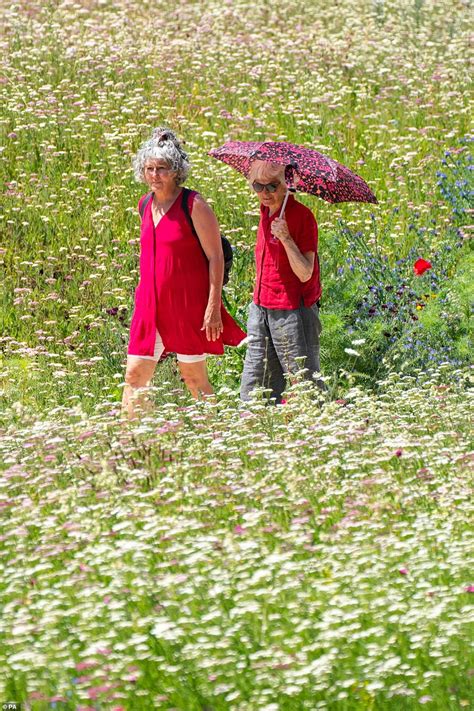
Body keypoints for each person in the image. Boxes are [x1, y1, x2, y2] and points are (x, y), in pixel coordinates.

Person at [122, 128, 246, 419]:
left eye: (162, 169)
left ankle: (216, 436)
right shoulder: (144, 204)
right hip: (149, 307)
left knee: (193, 378)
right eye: (149, 168)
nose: (155, 175)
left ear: (176, 170)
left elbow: (216, 258)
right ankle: (132, 444)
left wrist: (213, 306)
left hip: (187, 306)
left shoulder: (194, 205)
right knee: (134, 377)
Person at [240, 160, 322, 404]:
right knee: (255, 385)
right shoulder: (266, 210)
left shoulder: (302, 217)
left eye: (272, 186)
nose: (264, 193)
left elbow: (306, 272)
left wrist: (286, 238)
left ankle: (316, 430)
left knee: (303, 382)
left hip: (292, 310)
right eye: (258, 186)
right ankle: (257, 431)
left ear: (288, 186)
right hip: (261, 306)